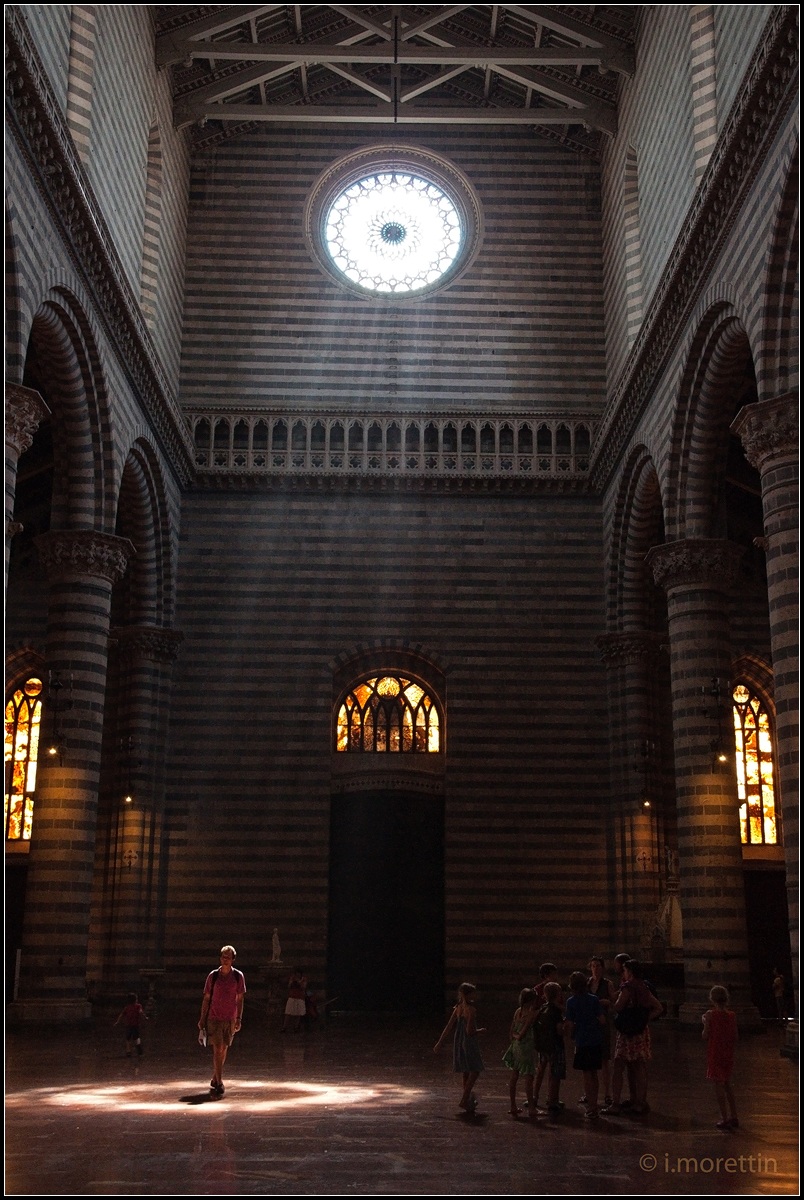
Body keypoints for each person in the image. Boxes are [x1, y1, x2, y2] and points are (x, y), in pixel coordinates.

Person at [603, 958, 662, 1116]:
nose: (623, 973)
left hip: (627, 1033)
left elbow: (618, 1007)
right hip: (641, 1032)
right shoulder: (644, 986)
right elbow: (658, 1007)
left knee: (618, 1066)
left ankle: (615, 1103)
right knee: (639, 1066)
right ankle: (640, 1102)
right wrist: (643, 1019)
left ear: (630, 971)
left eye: (625, 970)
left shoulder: (628, 987)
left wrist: (608, 1004)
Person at [198, 944, 246, 1097]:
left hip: (230, 1018)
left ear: (233, 960)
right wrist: (202, 1018)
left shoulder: (238, 976)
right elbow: (206, 998)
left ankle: (215, 1076)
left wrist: (238, 1018)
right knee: (217, 1047)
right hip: (214, 1017)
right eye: (223, 957)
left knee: (224, 1048)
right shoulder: (213, 976)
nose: (225, 960)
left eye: (228, 957)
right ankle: (219, 1082)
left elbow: (240, 999)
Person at [434, 982, 486, 1113]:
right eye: (473, 993)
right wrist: (480, 1031)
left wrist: (440, 1042)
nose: (475, 995)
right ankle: (464, 1099)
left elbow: (448, 1027)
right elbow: (470, 1031)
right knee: (475, 1070)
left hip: (459, 1042)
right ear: (468, 995)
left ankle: (467, 1099)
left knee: (466, 1071)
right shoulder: (471, 1010)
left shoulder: (458, 1008)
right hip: (469, 1043)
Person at [565, 971, 606, 1119]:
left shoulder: (571, 1002)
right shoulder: (594, 999)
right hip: (595, 1039)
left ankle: (591, 1107)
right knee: (594, 1073)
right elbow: (602, 1020)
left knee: (587, 1074)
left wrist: (570, 1035)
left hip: (582, 1040)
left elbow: (570, 1024)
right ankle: (595, 1104)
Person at [703, 985, 739, 1129]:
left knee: (718, 1084)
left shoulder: (710, 1014)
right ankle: (734, 1116)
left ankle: (724, 1118)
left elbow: (705, 1035)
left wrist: (705, 1023)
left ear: (712, 999)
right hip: (728, 1053)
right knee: (728, 1084)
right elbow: (735, 1036)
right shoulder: (732, 1015)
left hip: (715, 1052)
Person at [502, 987, 540, 1118]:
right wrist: (518, 1037)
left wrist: (514, 1038)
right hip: (525, 1047)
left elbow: (511, 1030)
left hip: (515, 1047)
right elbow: (523, 1032)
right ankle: (531, 1108)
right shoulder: (531, 1014)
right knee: (529, 1077)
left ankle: (513, 1105)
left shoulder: (518, 1011)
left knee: (514, 1075)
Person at [534, 981, 566, 1114]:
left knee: (541, 1069)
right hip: (555, 1045)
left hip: (543, 1045)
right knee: (555, 1074)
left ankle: (534, 1096)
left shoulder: (542, 1008)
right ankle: (553, 1100)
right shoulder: (556, 1011)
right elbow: (559, 1030)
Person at [587, 956, 616, 1104]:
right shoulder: (587, 984)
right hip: (589, 1025)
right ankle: (589, 1092)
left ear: (602, 968)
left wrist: (608, 1003)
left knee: (604, 1059)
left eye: (598, 966)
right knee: (589, 1061)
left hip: (602, 1025)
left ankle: (607, 1093)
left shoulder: (607, 984)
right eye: (593, 966)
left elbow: (614, 1004)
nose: (595, 968)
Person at [114, 992, 146, 1056]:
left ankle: (128, 1051)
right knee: (137, 1037)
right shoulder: (138, 1006)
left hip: (128, 1025)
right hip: (136, 1025)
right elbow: (141, 1012)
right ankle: (138, 1046)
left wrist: (118, 1021)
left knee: (128, 1039)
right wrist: (145, 1017)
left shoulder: (127, 1007)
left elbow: (121, 1015)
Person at [282, 967, 307, 1033]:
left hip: (300, 997)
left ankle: (295, 1027)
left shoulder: (304, 979)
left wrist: (298, 981)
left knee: (298, 1013)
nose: (297, 975)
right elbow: (289, 986)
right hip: (292, 997)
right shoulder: (292, 978)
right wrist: (292, 981)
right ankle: (284, 1027)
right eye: (296, 973)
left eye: (299, 973)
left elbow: (303, 987)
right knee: (288, 1012)